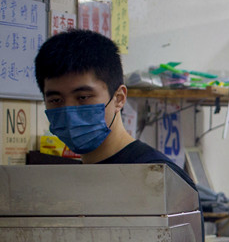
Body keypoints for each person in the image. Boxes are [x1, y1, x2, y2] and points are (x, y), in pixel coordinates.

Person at [34, 29, 195, 188]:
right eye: (55, 100)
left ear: (119, 98)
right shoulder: (66, 182)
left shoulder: (158, 176)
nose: (69, 113)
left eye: (83, 97)